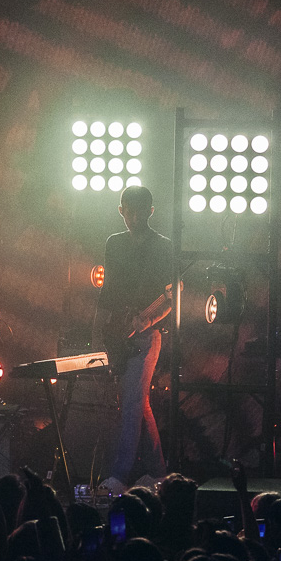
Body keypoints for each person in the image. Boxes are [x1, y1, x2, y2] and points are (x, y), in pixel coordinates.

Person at [92, 186, 173, 495]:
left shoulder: (163, 247)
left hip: (148, 336)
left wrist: (146, 320)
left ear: (151, 211)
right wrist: (98, 328)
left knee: (131, 404)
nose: (134, 217)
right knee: (138, 403)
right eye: (129, 210)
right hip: (118, 333)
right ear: (120, 209)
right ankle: (158, 473)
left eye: (141, 211)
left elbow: (171, 295)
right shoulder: (114, 244)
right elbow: (107, 290)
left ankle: (119, 477)